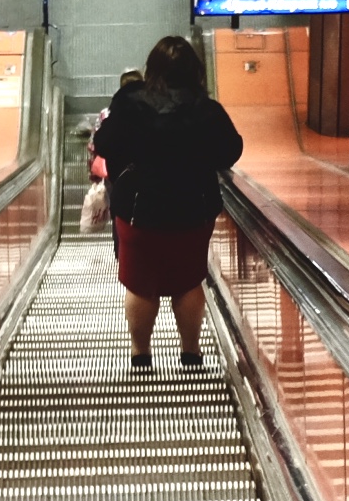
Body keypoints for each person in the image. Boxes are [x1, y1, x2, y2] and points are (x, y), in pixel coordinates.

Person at [90, 34, 244, 369]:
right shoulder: (206, 110)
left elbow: (105, 142)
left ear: (153, 69)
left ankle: (141, 355)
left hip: (138, 209)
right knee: (188, 280)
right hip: (193, 207)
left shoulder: (131, 105)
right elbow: (231, 151)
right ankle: (190, 353)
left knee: (141, 283)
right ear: (195, 71)